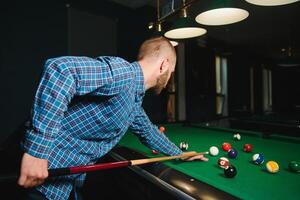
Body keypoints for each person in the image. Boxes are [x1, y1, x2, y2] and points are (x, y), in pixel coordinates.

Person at [18, 36, 208, 200]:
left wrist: (179, 154)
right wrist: (37, 153)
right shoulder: (124, 74)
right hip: (45, 175)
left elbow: (149, 132)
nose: (169, 79)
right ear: (164, 65)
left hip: (66, 180)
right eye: (171, 73)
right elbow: (61, 70)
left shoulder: (133, 98)